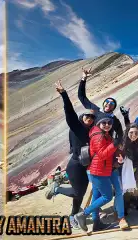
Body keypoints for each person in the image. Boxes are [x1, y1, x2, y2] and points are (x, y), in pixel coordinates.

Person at [45, 80, 98, 229]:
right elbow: (69, 111)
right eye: (87, 116)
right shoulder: (76, 126)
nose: (89, 119)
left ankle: (73, 214)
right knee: (77, 192)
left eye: (92, 118)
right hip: (75, 165)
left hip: (84, 167)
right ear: (82, 117)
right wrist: (64, 94)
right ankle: (58, 190)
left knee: (80, 193)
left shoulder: (92, 132)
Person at [74, 114, 121, 233]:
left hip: (99, 170)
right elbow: (103, 154)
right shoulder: (98, 136)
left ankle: (96, 223)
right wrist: (114, 144)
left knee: (96, 197)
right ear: (98, 123)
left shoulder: (103, 134)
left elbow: (108, 154)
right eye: (104, 123)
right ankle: (83, 215)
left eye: (109, 123)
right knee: (107, 196)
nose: (107, 125)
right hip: (98, 171)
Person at [78, 69, 124, 146]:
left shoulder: (114, 119)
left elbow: (120, 134)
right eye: (107, 102)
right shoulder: (95, 109)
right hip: (90, 144)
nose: (109, 104)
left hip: (105, 147)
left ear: (114, 107)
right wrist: (83, 79)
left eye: (112, 103)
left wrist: (117, 145)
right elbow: (81, 96)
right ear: (104, 103)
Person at [121, 123, 138, 216]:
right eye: (131, 132)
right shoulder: (122, 145)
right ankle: (125, 207)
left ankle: (137, 203)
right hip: (125, 171)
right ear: (127, 133)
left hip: (136, 169)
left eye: (136, 133)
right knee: (127, 189)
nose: (134, 135)